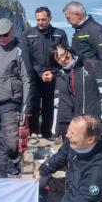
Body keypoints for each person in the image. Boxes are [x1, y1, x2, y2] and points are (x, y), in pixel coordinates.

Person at [0, 18, 31, 178]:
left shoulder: (19, 50)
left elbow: (26, 79)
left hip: (11, 102)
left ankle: (3, 171)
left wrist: (25, 106)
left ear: (12, 32)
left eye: (5, 35)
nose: (1, 38)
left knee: (8, 140)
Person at [63, 2, 102, 126]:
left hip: (93, 80)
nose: (68, 21)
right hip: (81, 80)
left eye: (68, 18)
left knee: (93, 117)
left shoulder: (95, 30)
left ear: (77, 14)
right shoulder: (80, 30)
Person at [22, 7, 68, 138]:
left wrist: (53, 73)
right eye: (38, 20)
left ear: (50, 18)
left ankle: (47, 134)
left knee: (49, 107)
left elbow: (64, 56)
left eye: (43, 19)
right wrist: (39, 73)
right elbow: (26, 57)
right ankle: (33, 133)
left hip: (53, 77)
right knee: (33, 106)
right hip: (34, 78)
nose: (40, 22)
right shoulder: (28, 34)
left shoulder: (59, 34)